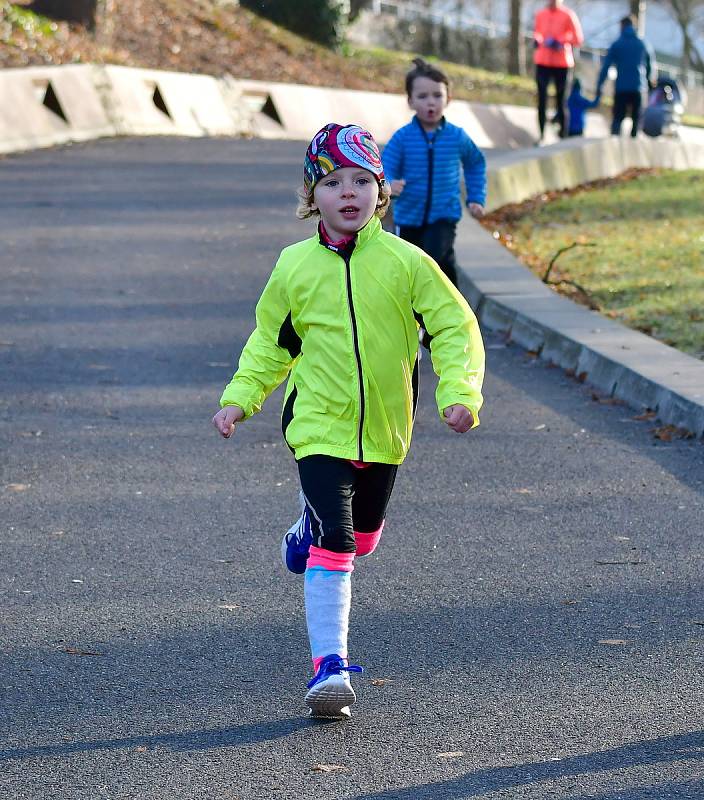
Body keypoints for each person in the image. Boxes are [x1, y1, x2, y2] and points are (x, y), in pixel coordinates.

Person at [212, 123, 485, 720]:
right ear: (313, 195)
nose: (349, 193)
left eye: (362, 180)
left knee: (362, 540)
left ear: (381, 191)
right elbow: (271, 344)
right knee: (338, 544)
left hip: (387, 430)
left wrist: (458, 395)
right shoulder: (294, 267)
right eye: (333, 182)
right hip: (317, 425)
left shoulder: (406, 262)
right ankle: (328, 669)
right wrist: (241, 398)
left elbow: (455, 326)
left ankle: (304, 535)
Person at [381, 57, 487, 290]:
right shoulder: (403, 137)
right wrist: (388, 184)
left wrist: (476, 197)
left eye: (437, 95)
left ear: (448, 99)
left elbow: (475, 163)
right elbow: (383, 166)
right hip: (408, 217)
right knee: (409, 268)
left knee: (437, 260)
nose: (431, 103)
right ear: (410, 101)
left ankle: (452, 314)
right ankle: (415, 318)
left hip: (443, 215)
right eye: (422, 96)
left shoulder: (457, 137)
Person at [596, 15, 656, 138]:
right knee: (636, 120)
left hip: (621, 87)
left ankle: (614, 145)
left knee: (618, 118)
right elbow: (650, 65)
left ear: (622, 26)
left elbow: (606, 66)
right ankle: (633, 146)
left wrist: (600, 84)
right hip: (639, 87)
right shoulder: (643, 43)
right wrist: (650, 82)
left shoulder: (617, 44)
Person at [532, 0, 584, 141]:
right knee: (541, 98)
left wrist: (561, 41)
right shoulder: (540, 14)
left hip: (562, 63)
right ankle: (541, 134)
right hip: (543, 61)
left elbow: (578, 38)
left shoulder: (568, 15)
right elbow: (538, 32)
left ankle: (563, 135)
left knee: (561, 100)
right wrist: (537, 40)